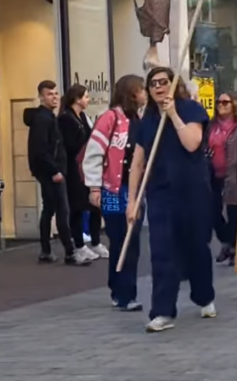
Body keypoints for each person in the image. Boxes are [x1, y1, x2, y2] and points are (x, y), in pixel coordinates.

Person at [128, 67, 216, 333]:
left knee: (196, 248)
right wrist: (132, 201)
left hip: (193, 191)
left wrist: (174, 114)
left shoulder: (190, 109)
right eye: (153, 83)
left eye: (163, 82)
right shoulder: (147, 120)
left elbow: (192, 143)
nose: (158, 87)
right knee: (162, 252)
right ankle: (163, 311)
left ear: (173, 84)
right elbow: (138, 162)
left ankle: (204, 296)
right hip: (161, 194)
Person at [83, 74, 148, 311]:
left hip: (135, 191)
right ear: (131, 93)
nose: (145, 94)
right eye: (141, 90)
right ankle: (120, 290)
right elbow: (94, 152)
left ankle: (126, 292)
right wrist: (94, 186)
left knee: (132, 242)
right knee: (119, 238)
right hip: (112, 190)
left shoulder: (141, 120)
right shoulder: (110, 118)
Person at [24, 80, 91, 266]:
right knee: (62, 211)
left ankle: (46, 251)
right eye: (49, 94)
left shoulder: (48, 117)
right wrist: (54, 171)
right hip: (52, 172)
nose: (53, 97)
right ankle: (70, 253)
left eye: (55, 93)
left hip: (51, 170)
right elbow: (40, 149)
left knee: (49, 210)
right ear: (41, 96)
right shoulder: (43, 119)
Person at [58, 84, 108, 263]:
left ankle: (95, 241)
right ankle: (79, 245)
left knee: (94, 205)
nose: (88, 100)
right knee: (77, 208)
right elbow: (70, 144)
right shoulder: (66, 119)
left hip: (87, 167)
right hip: (74, 169)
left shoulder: (83, 117)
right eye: (86, 97)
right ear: (77, 99)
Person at [207, 92, 237, 265]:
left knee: (233, 213)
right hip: (214, 173)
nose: (221, 105)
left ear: (233, 104)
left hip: (233, 174)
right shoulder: (211, 126)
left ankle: (234, 246)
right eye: (218, 102)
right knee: (213, 212)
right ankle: (227, 241)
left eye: (225, 102)